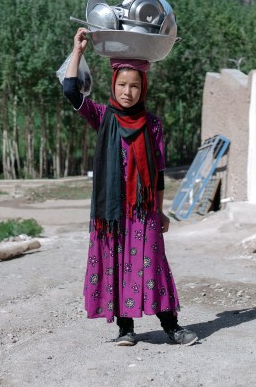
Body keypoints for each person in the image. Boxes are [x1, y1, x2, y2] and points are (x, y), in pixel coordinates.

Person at [62, 27, 198, 347]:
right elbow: (70, 91)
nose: (127, 92)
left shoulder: (152, 125)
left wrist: (161, 210)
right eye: (122, 85)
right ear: (114, 85)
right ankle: (125, 329)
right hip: (112, 210)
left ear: (143, 88)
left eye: (134, 86)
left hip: (143, 208)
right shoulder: (103, 116)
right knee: (117, 263)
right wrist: (77, 51)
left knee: (153, 263)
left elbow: (160, 172)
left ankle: (172, 326)